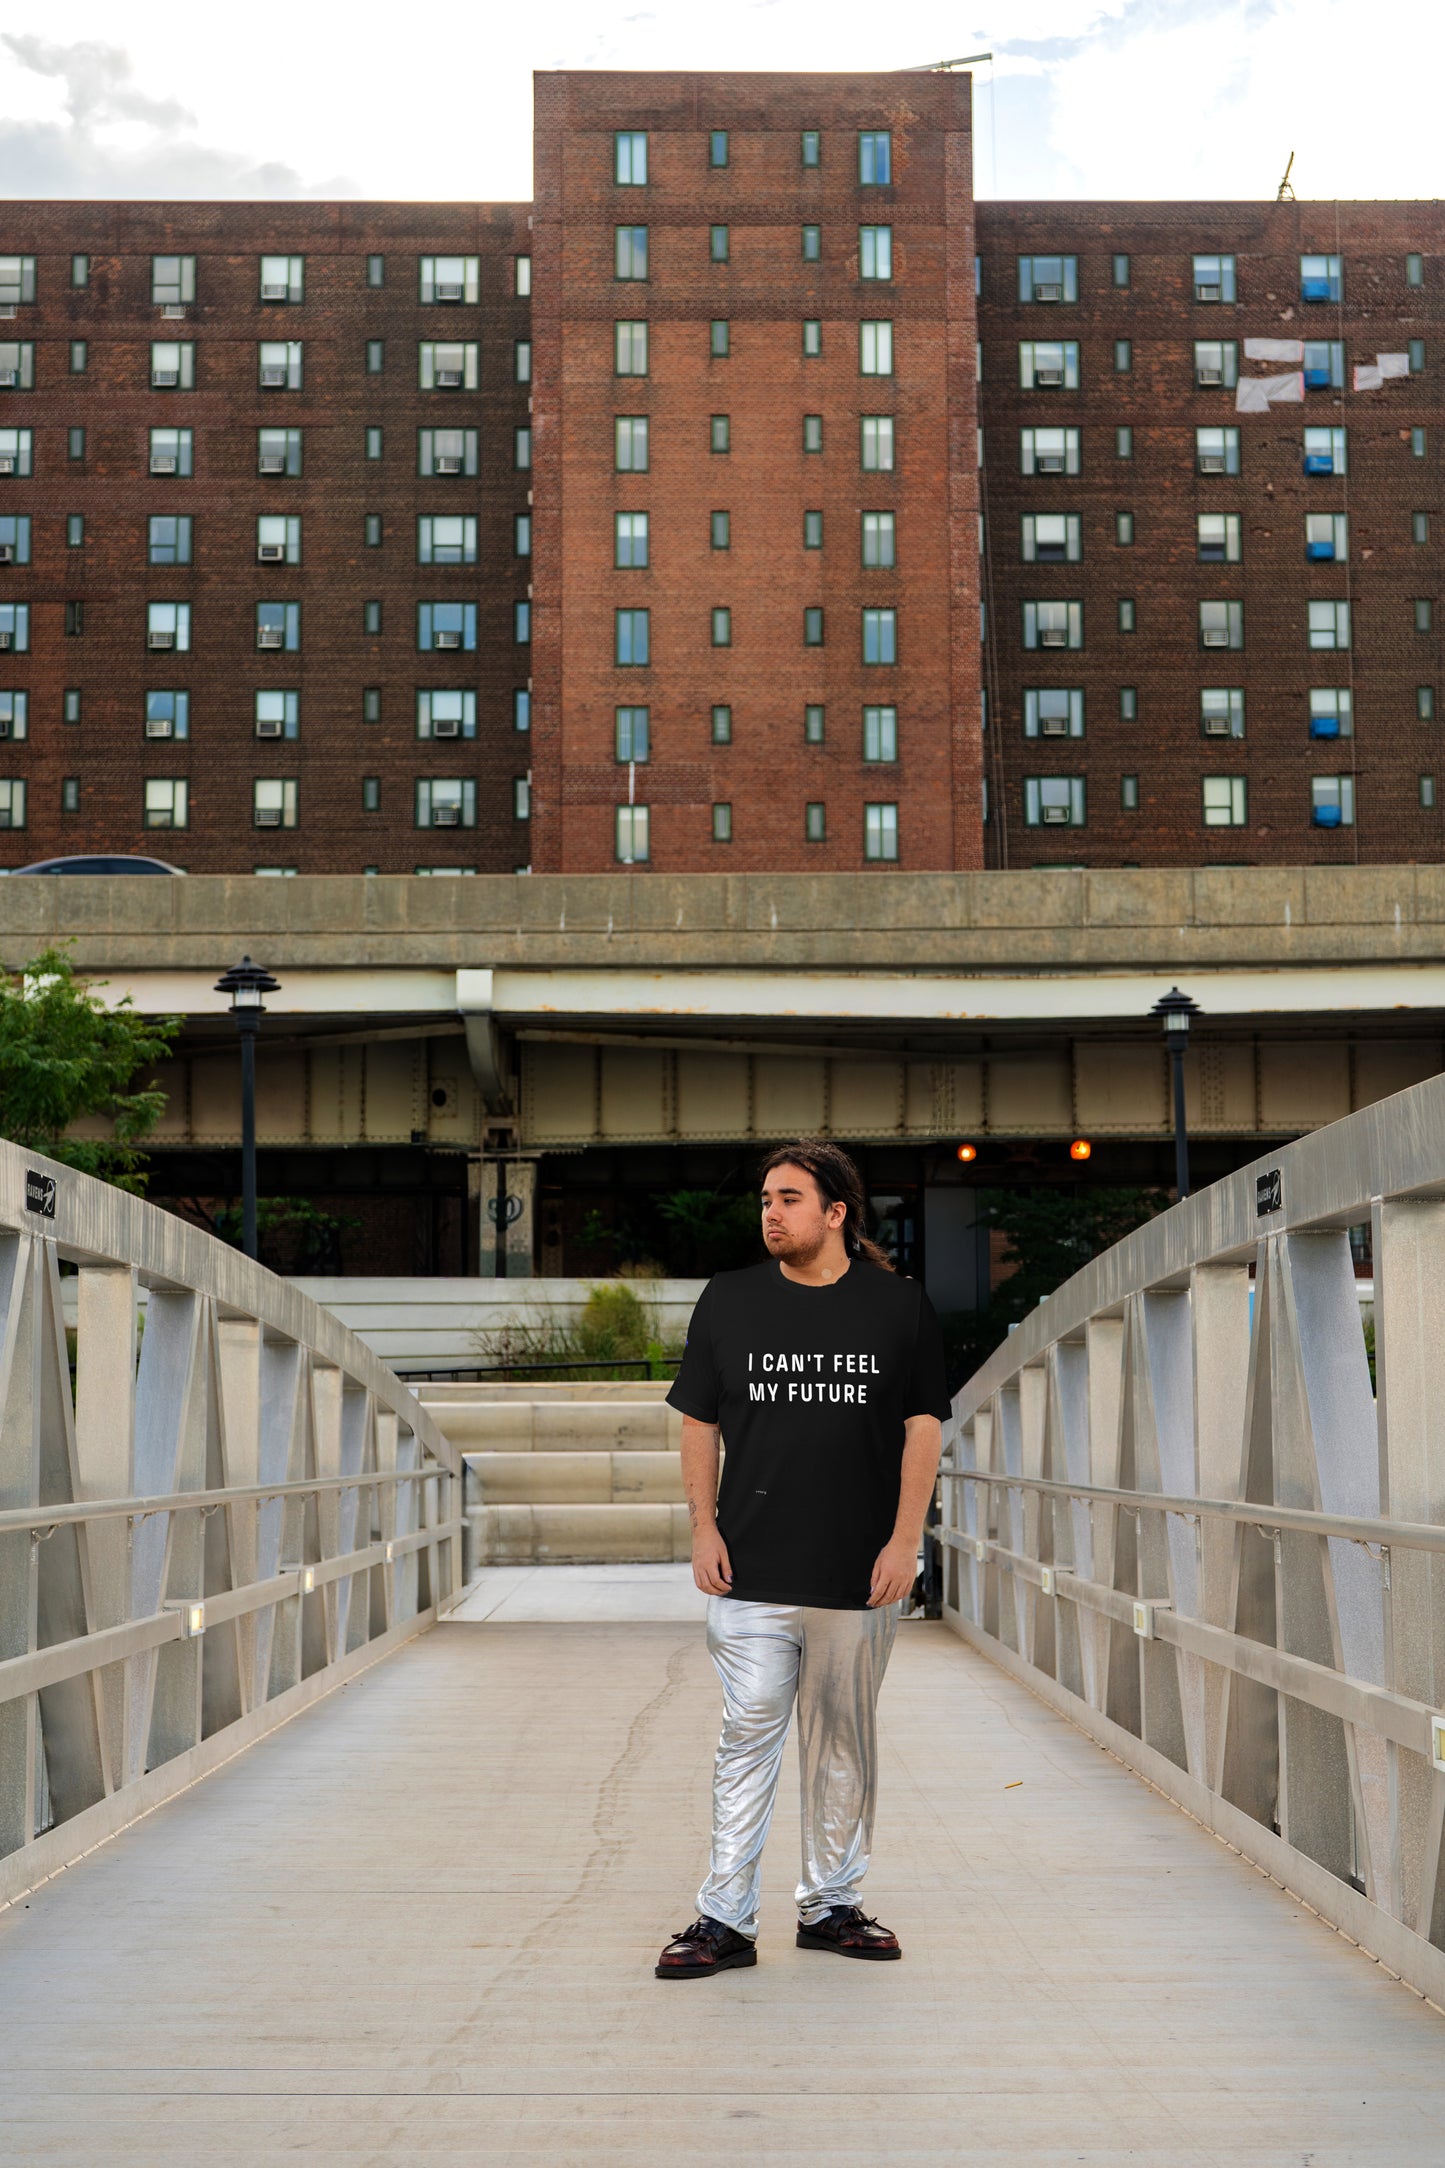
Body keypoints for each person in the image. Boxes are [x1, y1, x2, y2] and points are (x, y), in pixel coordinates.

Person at [655, 1140, 951, 1980]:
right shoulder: (729, 1299)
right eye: (764, 1200)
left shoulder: (897, 1305)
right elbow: (698, 1422)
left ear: (835, 1212)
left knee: (841, 1746)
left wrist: (904, 1542)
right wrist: (702, 1528)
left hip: (857, 1573)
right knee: (745, 1735)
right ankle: (724, 1918)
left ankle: (829, 1907)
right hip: (749, 1569)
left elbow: (922, 1427)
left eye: (789, 1198)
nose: (771, 1213)